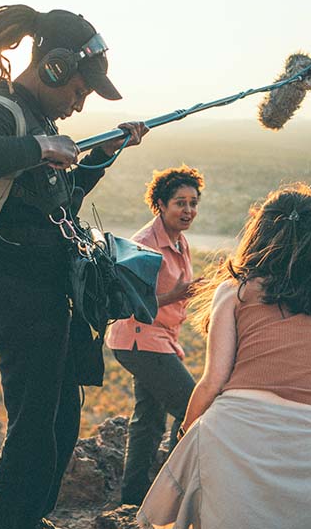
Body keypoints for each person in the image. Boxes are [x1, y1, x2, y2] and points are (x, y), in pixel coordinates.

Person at [0, 5, 148, 529]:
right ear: (53, 67)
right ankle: (15, 522)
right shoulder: (2, 110)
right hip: (13, 289)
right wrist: (37, 145)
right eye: (79, 88)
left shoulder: (39, 119)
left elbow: (55, 201)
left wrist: (104, 153)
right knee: (34, 421)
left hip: (45, 288)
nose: (81, 101)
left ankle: (32, 517)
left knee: (61, 415)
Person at [137, 185, 311, 529]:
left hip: (233, 431)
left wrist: (185, 433)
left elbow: (212, 382)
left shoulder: (236, 290)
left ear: (260, 232)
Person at [105, 165, 204, 506]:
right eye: (180, 203)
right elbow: (128, 303)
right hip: (138, 338)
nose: (188, 210)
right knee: (194, 411)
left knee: (148, 421)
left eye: (193, 202)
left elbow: (179, 290)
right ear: (160, 205)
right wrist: (178, 295)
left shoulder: (180, 240)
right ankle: (172, 494)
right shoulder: (145, 245)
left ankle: (133, 500)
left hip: (160, 338)